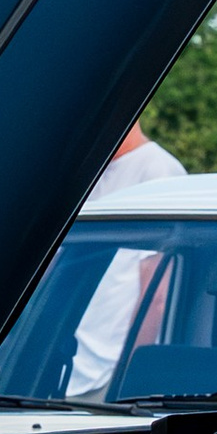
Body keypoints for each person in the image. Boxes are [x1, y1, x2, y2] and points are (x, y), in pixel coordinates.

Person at [68, 120, 189, 398]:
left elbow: (156, 295)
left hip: (109, 376)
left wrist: (127, 382)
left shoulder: (159, 171)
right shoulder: (92, 175)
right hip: (69, 368)